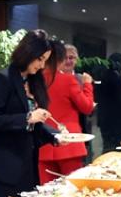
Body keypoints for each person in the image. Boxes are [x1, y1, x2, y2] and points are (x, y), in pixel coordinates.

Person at [0, 29, 61, 197]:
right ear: (28, 53)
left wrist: (55, 136)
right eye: (40, 59)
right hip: (6, 163)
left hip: (28, 161)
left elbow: (34, 125)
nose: (42, 65)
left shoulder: (33, 80)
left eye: (45, 60)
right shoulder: (3, 79)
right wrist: (27, 117)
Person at [39, 44, 95, 183]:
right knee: (72, 189)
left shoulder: (36, 80)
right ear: (60, 59)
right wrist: (88, 85)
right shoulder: (68, 80)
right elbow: (87, 107)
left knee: (47, 191)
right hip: (69, 143)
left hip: (43, 143)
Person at [94, 52, 121, 153]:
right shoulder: (111, 77)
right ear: (116, 63)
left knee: (110, 147)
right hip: (113, 120)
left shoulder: (110, 75)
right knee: (113, 148)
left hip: (107, 119)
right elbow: (119, 99)